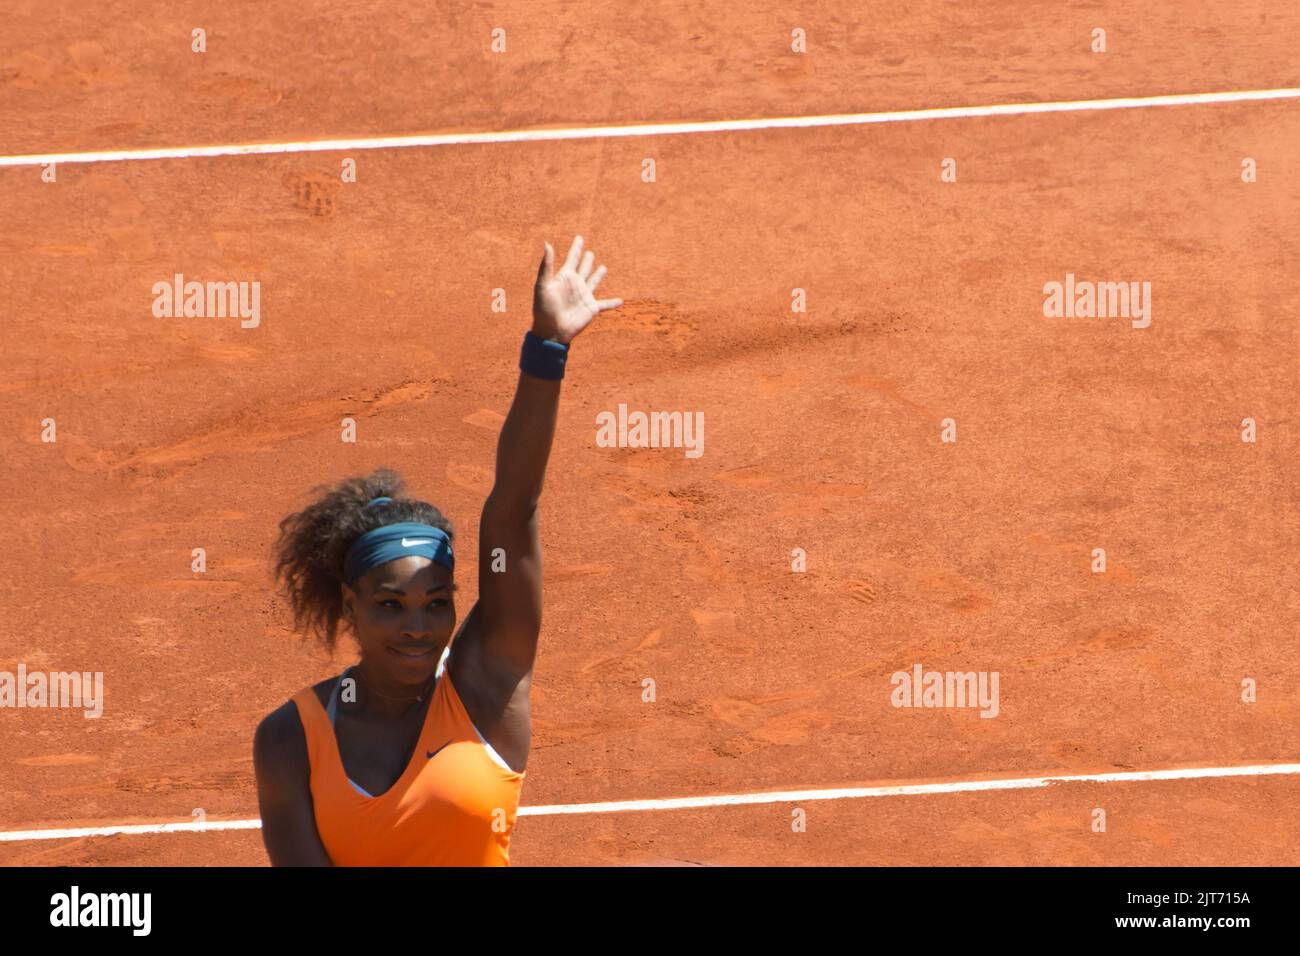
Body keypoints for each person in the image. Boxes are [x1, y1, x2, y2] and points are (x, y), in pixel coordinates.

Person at [252, 236, 623, 865]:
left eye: (437, 602)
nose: (419, 628)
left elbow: (513, 508)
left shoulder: (485, 686)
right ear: (352, 604)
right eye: (391, 605)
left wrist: (547, 350)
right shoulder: (291, 738)